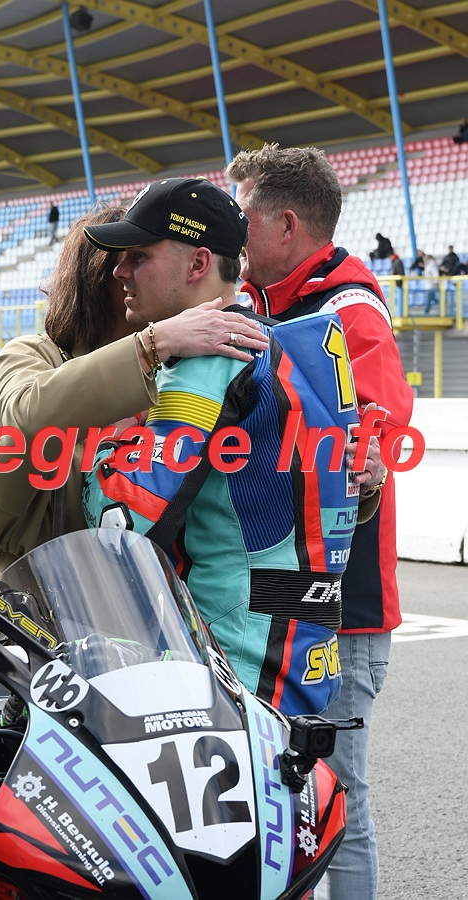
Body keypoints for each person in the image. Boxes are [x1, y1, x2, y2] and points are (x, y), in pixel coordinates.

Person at [82, 176, 385, 718]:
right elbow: (342, 487)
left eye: (138, 256)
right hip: (304, 649)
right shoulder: (295, 344)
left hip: (231, 667)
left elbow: (120, 519)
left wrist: (105, 430)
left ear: (198, 264)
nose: (119, 271)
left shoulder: (210, 357)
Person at [224, 143, 414, 900]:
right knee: (277, 790)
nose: (232, 233)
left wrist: (365, 459)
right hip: (275, 596)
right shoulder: (256, 304)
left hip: (342, 605)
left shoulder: (348, 307)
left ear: (286, 225)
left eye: (242, 217)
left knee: (336, 796)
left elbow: (379, 426)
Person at [0, 205, 269, 578]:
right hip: (37, 590)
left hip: (141, 595)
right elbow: (26, 416)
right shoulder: (34, 354)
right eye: (125, 259)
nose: (126, 272)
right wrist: (150, 345)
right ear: (94, 278)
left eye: (140, 258)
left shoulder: (177, 368)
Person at [389, 250, 405, 315]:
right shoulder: (396, 261)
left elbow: (399, 272)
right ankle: (398, 311)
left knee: (399, 298)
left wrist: (398, 283)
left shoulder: (397, 262)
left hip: (398, 284)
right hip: (397, 283)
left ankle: (399, 312)